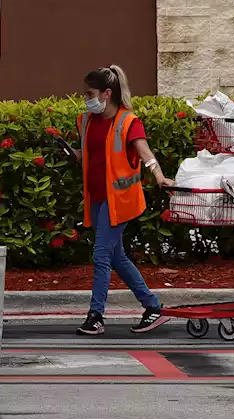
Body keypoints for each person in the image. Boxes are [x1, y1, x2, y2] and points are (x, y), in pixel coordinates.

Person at [70, 64, 174, 336]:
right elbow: (88, 155)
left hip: (121, 200)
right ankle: (152, 307)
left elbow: (145, 152)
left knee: (102, 255)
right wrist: (70, 154)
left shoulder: (129, 122)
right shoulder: (87, 121)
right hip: (98, 197)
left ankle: (96, 315)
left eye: (89, 93)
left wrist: (160, 176)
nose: (86, 98)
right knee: (117, 257)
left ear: (106, 93)